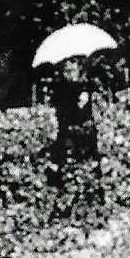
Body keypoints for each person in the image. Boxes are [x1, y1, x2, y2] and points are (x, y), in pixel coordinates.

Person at [45, 56, 104, 211]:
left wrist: (86, 98)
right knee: (69, 166)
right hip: (69, 133)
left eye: (72, 70)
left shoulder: (86, 86)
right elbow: (61, 114)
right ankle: (70, 202)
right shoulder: (60, 89)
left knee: (90, 163)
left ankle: (93, 200)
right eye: (66, 70)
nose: (69, 74)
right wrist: (76, 105)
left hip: (86, 132)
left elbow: (93, 113)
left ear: (78, 70)